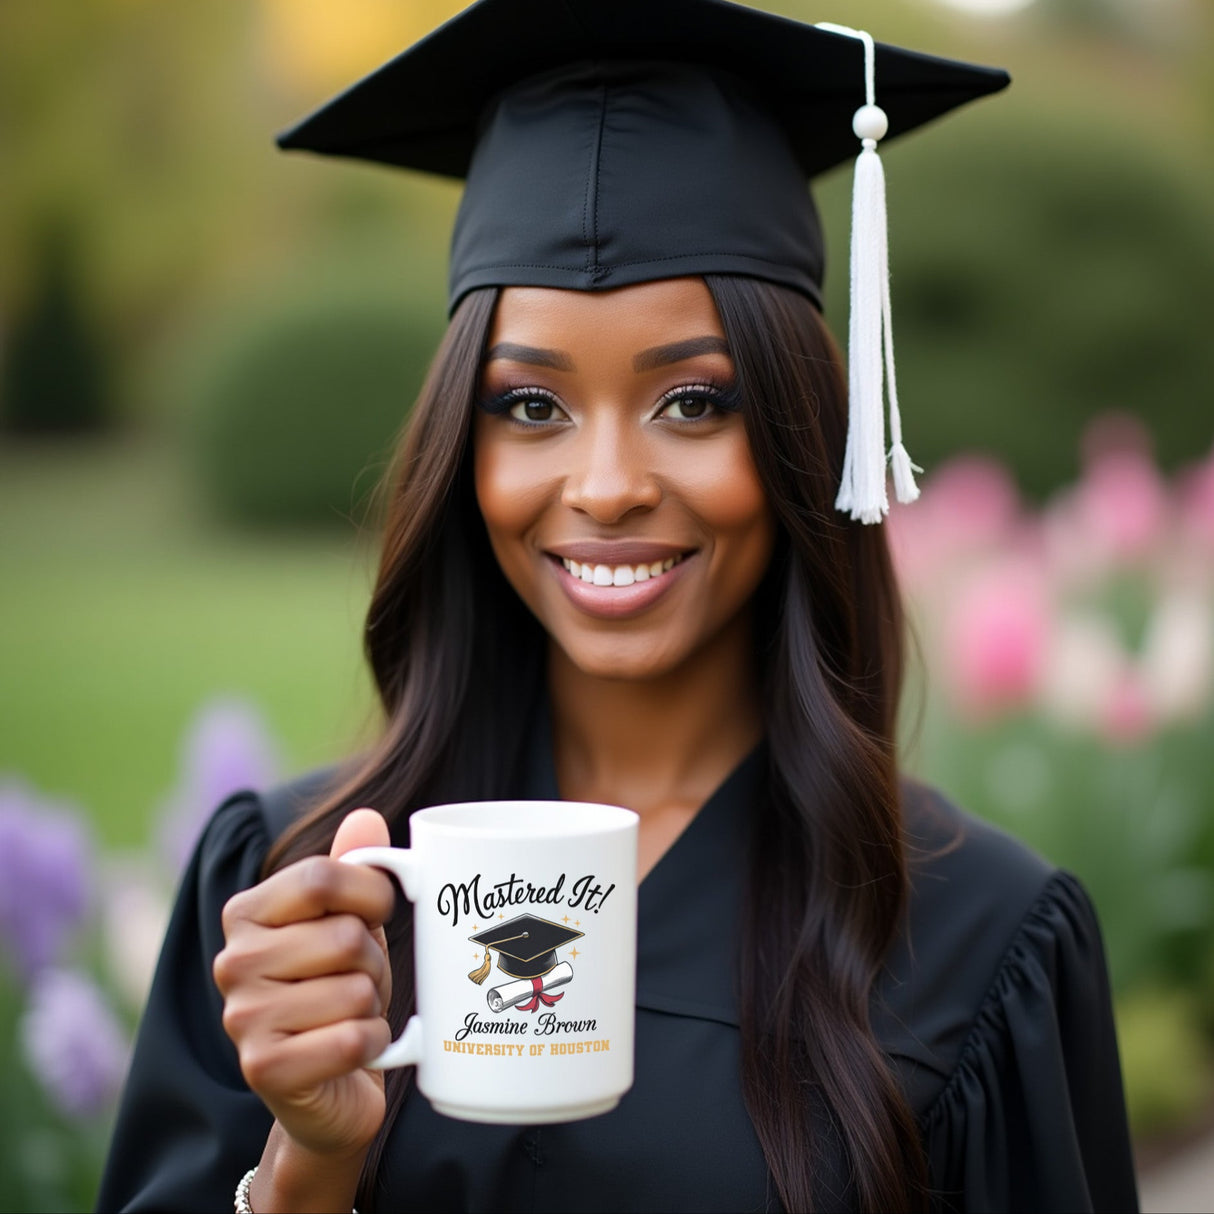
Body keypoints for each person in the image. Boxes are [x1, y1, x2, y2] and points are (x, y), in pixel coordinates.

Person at [97, 2, 1139, 1211]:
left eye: (693, 401)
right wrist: (306, 1161)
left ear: (801, 436)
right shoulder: (295, 901)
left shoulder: (977, 940)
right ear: (458, 448)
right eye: (529, 406)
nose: (602, 487)